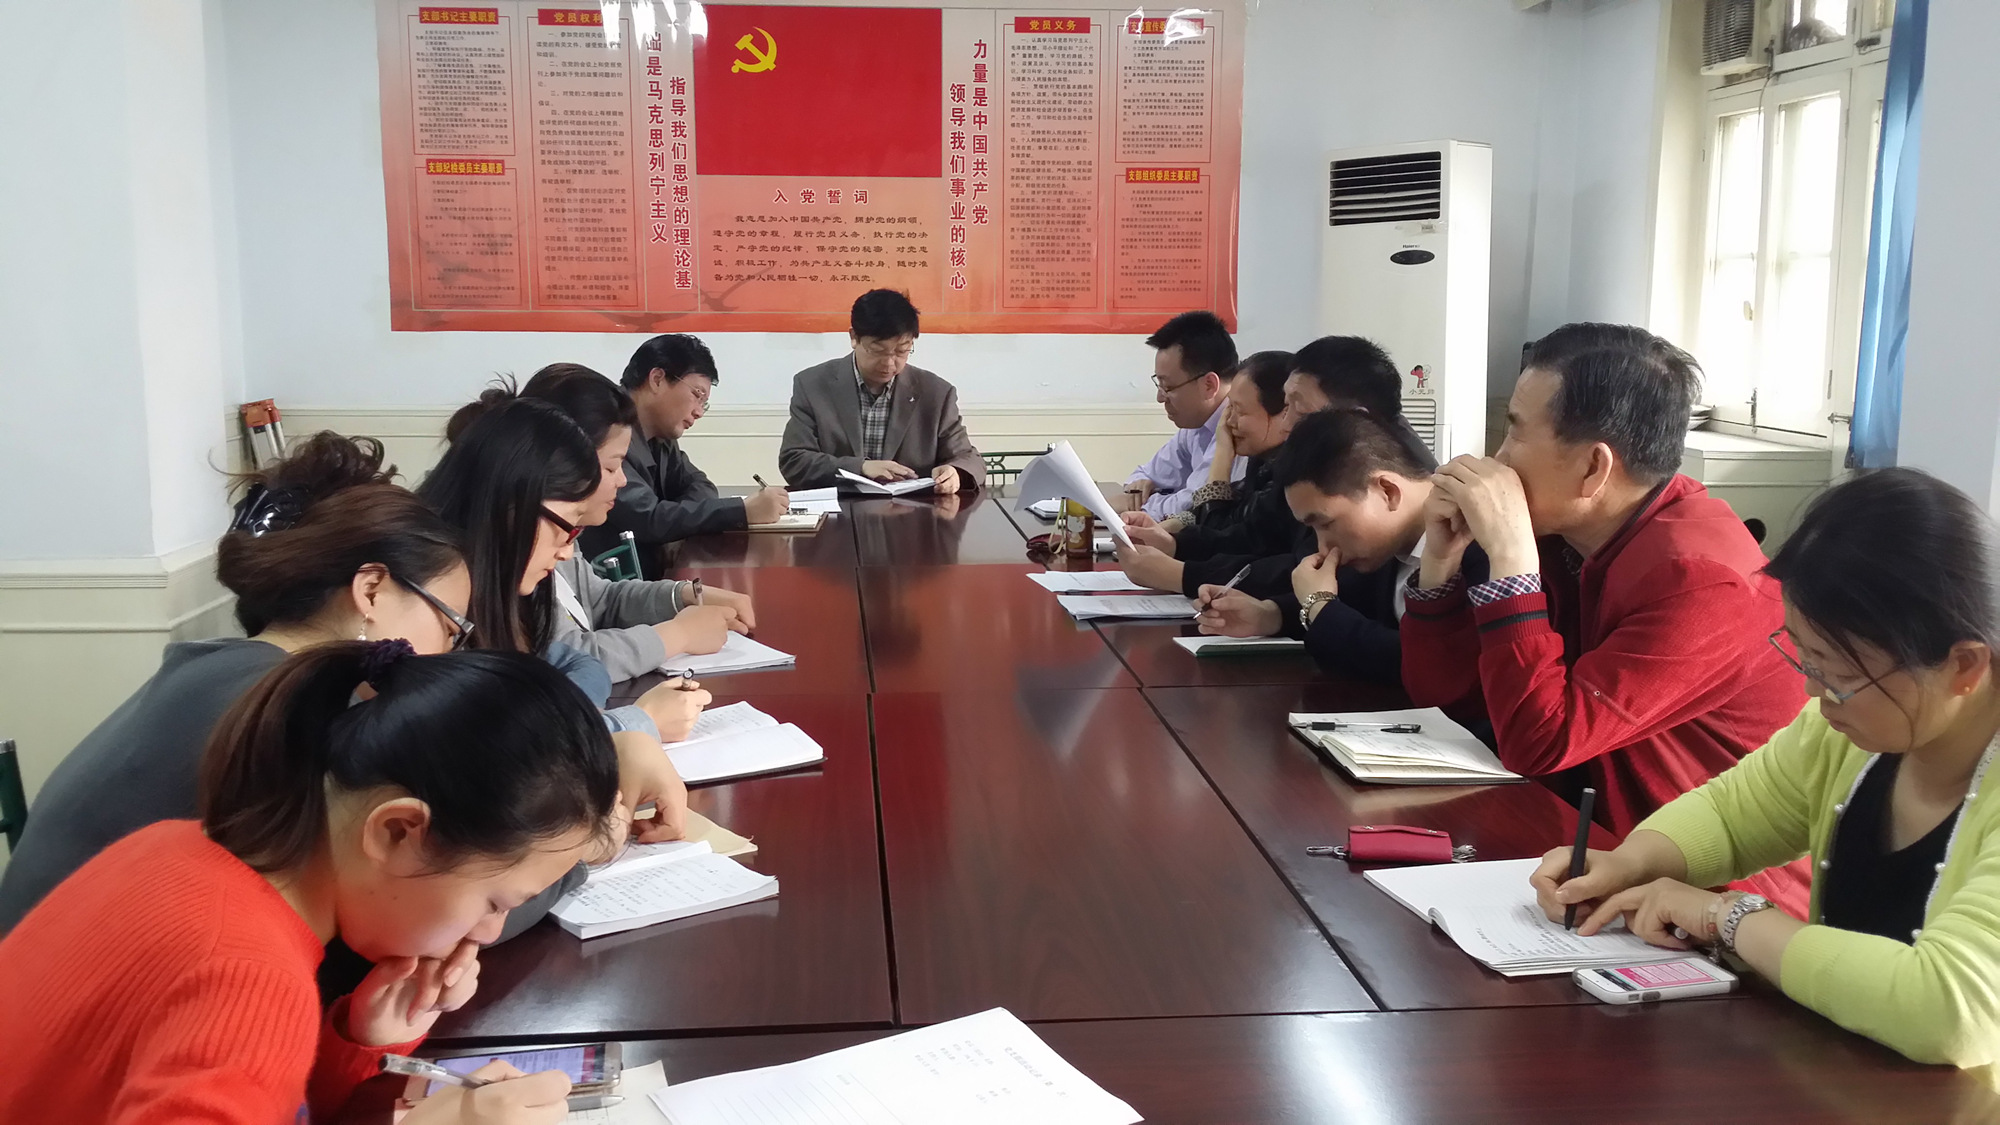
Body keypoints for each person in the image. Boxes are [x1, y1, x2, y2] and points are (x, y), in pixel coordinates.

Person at [0, 641, 616, 1122]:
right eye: (494, 902)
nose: (488, 933)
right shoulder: (247, 976)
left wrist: (360, 1042)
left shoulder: (168, 845)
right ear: (397, 832)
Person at [1534, 468, 2000, 1069]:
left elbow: (1951, 1009)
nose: (1813, 691)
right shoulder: (1849, 734)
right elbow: (1733, 815)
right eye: (1806, 659)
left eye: (1839, 674)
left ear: (1964, 667)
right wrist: (1628, 863)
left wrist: (1725, 916)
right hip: (1848, 1075)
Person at [0, 433, 475, 935]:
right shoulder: (283, 709)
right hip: (76, 976)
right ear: (372, 590)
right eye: (450, 628)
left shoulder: (214, 669)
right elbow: (413, 898)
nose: (448, 652)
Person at [1403, 322, 1807, 909]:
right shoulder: (1568, 537)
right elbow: (1448, 701)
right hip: (1590, 856)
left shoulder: (1703, 580)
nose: (1497, 459)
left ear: (1594, 468)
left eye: (1514, 432)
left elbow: (1542, 742)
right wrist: (1441, 561)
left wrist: (1513, 562)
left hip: (1710, 903)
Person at [418, 397, 705, 835]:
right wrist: (623, 727)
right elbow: (494, 774)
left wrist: (566, 721)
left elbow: (574, 663)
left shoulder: (499, 588)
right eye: (568, 526)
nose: (569, 551)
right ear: (512, 505)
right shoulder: (429, 612)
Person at [467, 365, 758, 682]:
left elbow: (599, 600)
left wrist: (682, 594)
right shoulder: (516, 542)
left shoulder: (553, 527)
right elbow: (566, 661)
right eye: (611, 467)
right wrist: (677, 635)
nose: (622, 481)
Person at [1118, 338, 1402, 599]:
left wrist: (1183, 575)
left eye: (1299, 411)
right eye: (1287, 406)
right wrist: (1175, 545)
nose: (1287, 425)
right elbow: (1251, 536)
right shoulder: (1276, 465)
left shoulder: (1363, 482)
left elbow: (1300, 569)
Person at [1191, 408, 1439, 683]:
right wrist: (1269, 615)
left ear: (1388, 491)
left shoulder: (1467, 537)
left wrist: (1319, 606)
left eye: (1326, 524)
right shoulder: (1390, 540)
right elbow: (1354, 600)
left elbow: (1425, 665)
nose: (1323, 547)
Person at [585, 333, 790, 563]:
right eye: (697, 395)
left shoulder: (661, 435)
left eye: (704, 403)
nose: (699, 412)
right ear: (657, 379)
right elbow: (646, 519)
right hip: (610, 579)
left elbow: (701, 485)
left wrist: (674, 523)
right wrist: (741, 511)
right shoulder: (605, 427)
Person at [778, 288, 985, 492]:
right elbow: (794, 461)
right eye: (877, 350)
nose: (889, 363)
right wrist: (860, 467)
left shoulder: (936, 393)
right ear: (854, 337)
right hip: (839, 509)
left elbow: (970, 460)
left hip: (914, 511)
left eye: (901, 351)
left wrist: (955, 472)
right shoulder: (812, 385)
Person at [1123, 311, 1242, 520]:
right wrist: (1142, 489)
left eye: (1168, 387)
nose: (1160, 398)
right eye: (1159, 385)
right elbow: (1144, 475)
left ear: (1209, 385)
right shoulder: (1196, 423)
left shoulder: (1237, 427)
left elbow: (1194, 503)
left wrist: (1144, 502)